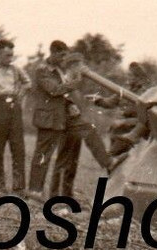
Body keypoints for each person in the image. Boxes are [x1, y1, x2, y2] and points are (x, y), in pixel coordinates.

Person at [51, 52, 122, 199]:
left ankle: (66, 196)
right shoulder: (65, 80)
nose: (83, 68)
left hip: (73, 122)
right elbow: (60, 96)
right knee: (67, 157)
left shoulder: (74, 82)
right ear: (72, 66)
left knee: (71, 162)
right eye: (79, 65)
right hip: (65, 122)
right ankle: (107, 162)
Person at [27, 41, 83, 196]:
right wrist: (76, 82)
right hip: (47, 120)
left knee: (50, 157)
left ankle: (42, 192)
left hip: (58, 120)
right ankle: (34, 192)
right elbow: (54, 90)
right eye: (62, 55)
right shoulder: (42, 70)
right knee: (42, 156)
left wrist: (70, 104)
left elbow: (63, 94)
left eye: (66, 55)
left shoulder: (59, 70)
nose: (64, 58)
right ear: (53, 52)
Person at [0, 39, 30, 192]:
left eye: (11, 55)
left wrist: (20, 96)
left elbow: (27, 83)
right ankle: (0, 186)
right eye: (6, 55)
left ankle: (19, 188)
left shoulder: (16, 69)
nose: (10, 58)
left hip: (14, 110)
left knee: (18, 150)